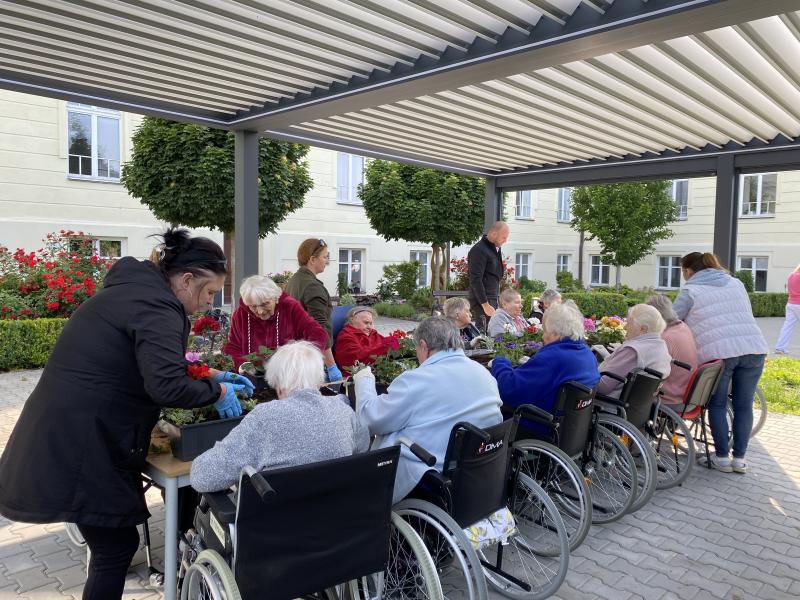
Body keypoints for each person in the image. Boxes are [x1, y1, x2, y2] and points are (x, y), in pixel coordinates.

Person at [0, 228, 254, 600]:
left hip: (68, 431)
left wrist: (208, 373)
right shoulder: (157, 306)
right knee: (114, 547)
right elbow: (166, 386)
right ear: (186, 280)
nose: (208, 303)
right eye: (209, 292)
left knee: (113, 544)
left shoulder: (135, 293)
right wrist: (216, 393)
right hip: (83, 441)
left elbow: (147, 359)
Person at [354, 316, 503, 503]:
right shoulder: (484, 373)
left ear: (423, 346)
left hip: (431, 473)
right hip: (477, 468)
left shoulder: (416, 380)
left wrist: (364, 381)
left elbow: (370, 420)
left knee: (389, 435)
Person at [191, 341, 369, 493]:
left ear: (276, 382)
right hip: (334, 517)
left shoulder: (265, 417)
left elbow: (202, 477)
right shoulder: (343, 410)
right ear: (319, 379)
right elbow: (361, 450)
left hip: (275, 520)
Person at [673, 252, 768, 474]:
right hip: (754, 347)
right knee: (744, 405)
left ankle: (722, 458)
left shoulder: (690, 290)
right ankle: (740, 460)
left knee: (717, 404)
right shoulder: (736, 283)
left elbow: (672, 319)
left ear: (688, 271)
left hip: (720, 354)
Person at [492, 301, 599, 423]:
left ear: (555, 333)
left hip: (534, 425)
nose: (542, 337)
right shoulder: (588, 355)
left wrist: (499, 361)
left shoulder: (552, 358)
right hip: (571, 427)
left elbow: (508, 390)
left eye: (544, 331)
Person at [224, 275, 329, 371]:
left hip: (287, 374)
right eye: (253, 306)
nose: (260, 311)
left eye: (265, 304)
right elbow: (232, 347)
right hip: (252, 376)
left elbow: (318, 334)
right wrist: (243, 366)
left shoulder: (290, 307)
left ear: (276, 298)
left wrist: (302, 359)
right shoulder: (240, 314)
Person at [285, 238, 343, 381]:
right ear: (312, 259)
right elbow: (320, 328)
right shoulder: (312, 286)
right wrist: (331, 365)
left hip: (296, 353)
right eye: (324, 257)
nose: (327, 261)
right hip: (311, 358)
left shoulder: (294, 281)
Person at [595, 304, 672, 398]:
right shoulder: (661, 347)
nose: (625, 327)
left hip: (607, 402)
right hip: (636, 405)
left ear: (643, 328)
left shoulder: (633, 350)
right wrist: (608, 357)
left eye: (629, 323)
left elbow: (602, 387)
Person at [645, 294, 698, 406]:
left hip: (669, 398)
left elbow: (647, 369)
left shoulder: (664, 339)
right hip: (686, 392)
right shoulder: (682, 327)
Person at [467, 221, 509, 330]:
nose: (505, 241)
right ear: (494, 234)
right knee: (483, 331)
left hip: (491, 297)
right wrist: (485, 304)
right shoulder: (479, 250)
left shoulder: (494, 248)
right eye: (503, 238)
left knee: (492, 330)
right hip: (483, 300)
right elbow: (475, 279)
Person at [334, 306, 400, 375]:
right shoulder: (346, 336)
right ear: (351, 321)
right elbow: (358, 358)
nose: (369, 327)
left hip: (380, 371)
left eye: (370, 323)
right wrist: (388, 348)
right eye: (366, 323)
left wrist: (399, 343)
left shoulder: (372, 333)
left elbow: (385, 341)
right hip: (358, 376)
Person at [775, 264, 800, 355]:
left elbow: (787, 288)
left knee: (787, 327)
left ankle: (780, 348)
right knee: (787, 326)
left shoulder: (791, 275)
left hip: (790, 304)